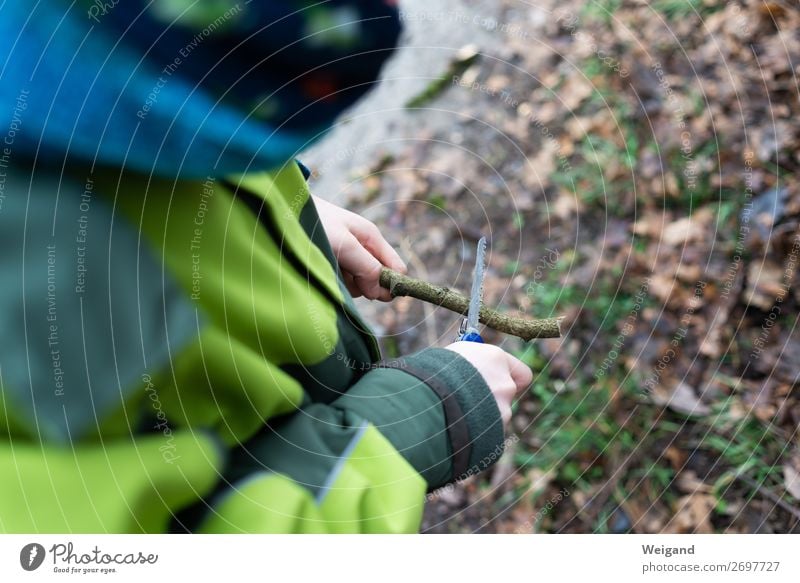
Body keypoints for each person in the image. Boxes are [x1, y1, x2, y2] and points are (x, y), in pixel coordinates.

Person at [0, 0, 532, 533]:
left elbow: (166, 157)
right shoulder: (36, 267)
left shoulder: (109, 78)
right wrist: (435, 409)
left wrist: (279, 214)